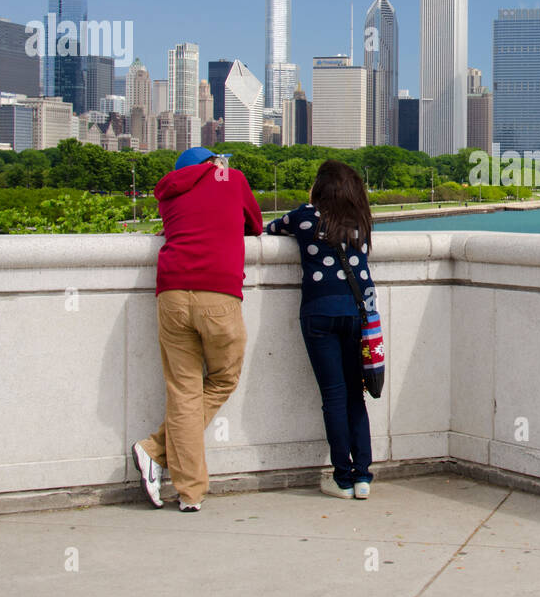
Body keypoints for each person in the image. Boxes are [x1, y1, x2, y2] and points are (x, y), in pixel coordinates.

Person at [132, 147, 263, 512]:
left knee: (183, 390)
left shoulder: (168, 192)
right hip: (218, 294)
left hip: (171, 292)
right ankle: (155, 452)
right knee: (223, 378)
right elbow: (254, 223)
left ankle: (189, 491)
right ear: (212, 164)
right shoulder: (231, 179)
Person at [266, 159, 375, 499]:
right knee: (356, 396)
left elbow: (269, 229)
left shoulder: (304, 217)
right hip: (357, 315)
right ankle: (363, 478)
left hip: (320, 314)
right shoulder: (361, 221)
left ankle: (341, 478)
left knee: (334, 396)